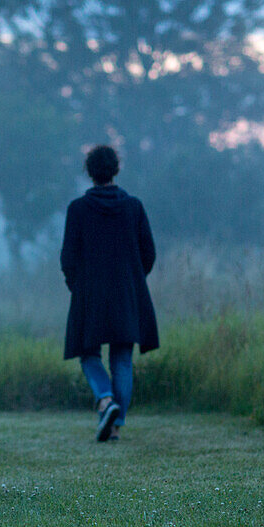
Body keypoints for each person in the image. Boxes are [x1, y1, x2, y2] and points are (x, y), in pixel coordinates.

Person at [60, 145, 158, 442]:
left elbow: (68, 257)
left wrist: (77, 285)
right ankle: (115, 425)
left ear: (89, 172)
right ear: (116, 169)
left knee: (88, 354)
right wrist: (132, 280)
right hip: (126, 294)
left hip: (90, 294)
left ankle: (105, 400)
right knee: (122, 359)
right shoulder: (134, 207)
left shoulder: (77, 209)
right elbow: (148, 254)